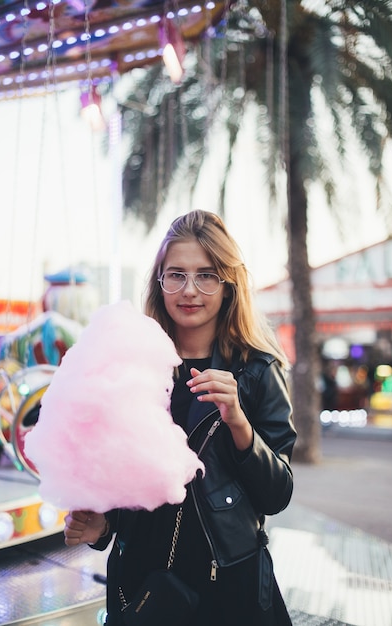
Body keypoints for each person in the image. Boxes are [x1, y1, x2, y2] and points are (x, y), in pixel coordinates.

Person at [64, 210, 297, 626]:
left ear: (228, 285)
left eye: (206, 275)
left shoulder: (258, 370)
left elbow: (277, 495)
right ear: (160, 282)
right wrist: (102, 525)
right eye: (176, 274)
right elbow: (125, 481)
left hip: (228, 584)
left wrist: (238, 422)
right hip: (143, 584)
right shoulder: (131, 366)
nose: (190, 290)